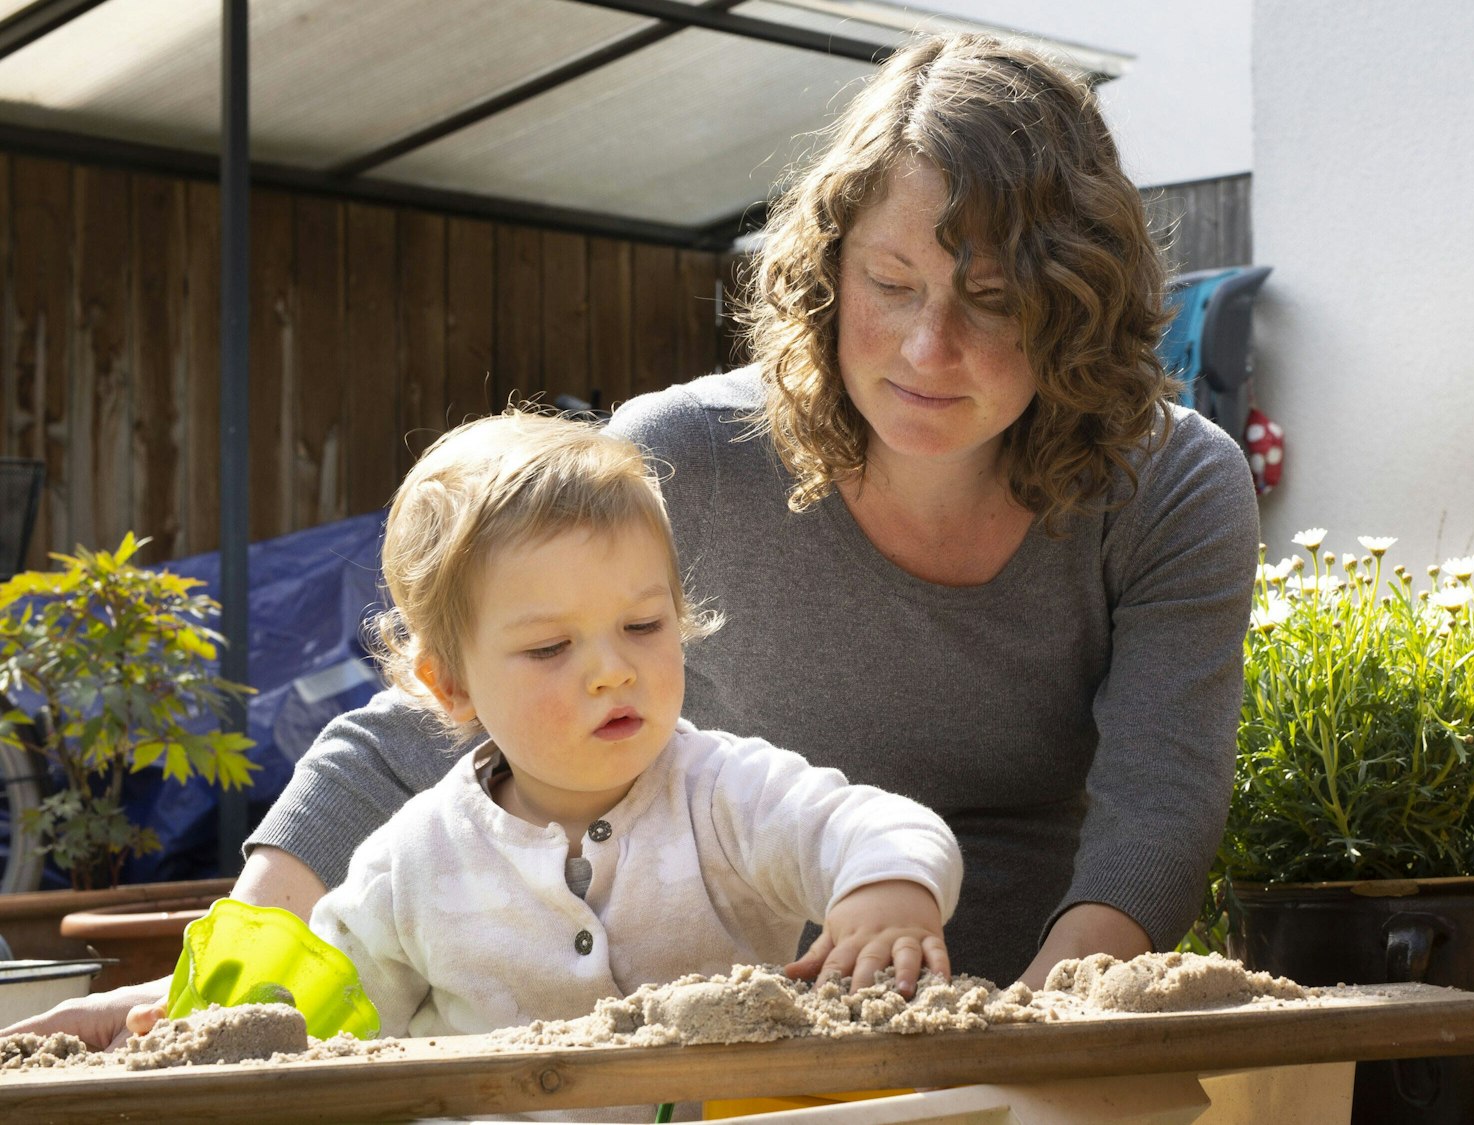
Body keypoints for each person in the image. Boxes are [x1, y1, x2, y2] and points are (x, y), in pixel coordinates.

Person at [7, 31, 1258, 1049]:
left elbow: (1158, 804)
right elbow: (441, 705)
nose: (928, 349)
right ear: (827, 272)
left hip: (1006, 1007)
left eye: (990, 302)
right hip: (719, 1037)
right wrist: (222, 983)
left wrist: (1034, 1037)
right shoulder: (689, 456)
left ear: (1078, 306)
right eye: (890, 283)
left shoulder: (1172, 487)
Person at [307, 410, 960, 1041]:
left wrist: (886, 891)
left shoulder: (725, 796)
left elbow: (874, 827)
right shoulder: (413, 864)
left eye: (642, 626)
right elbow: (328, 1030)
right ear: (451, 683)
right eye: (550, 647)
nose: (612, 672)